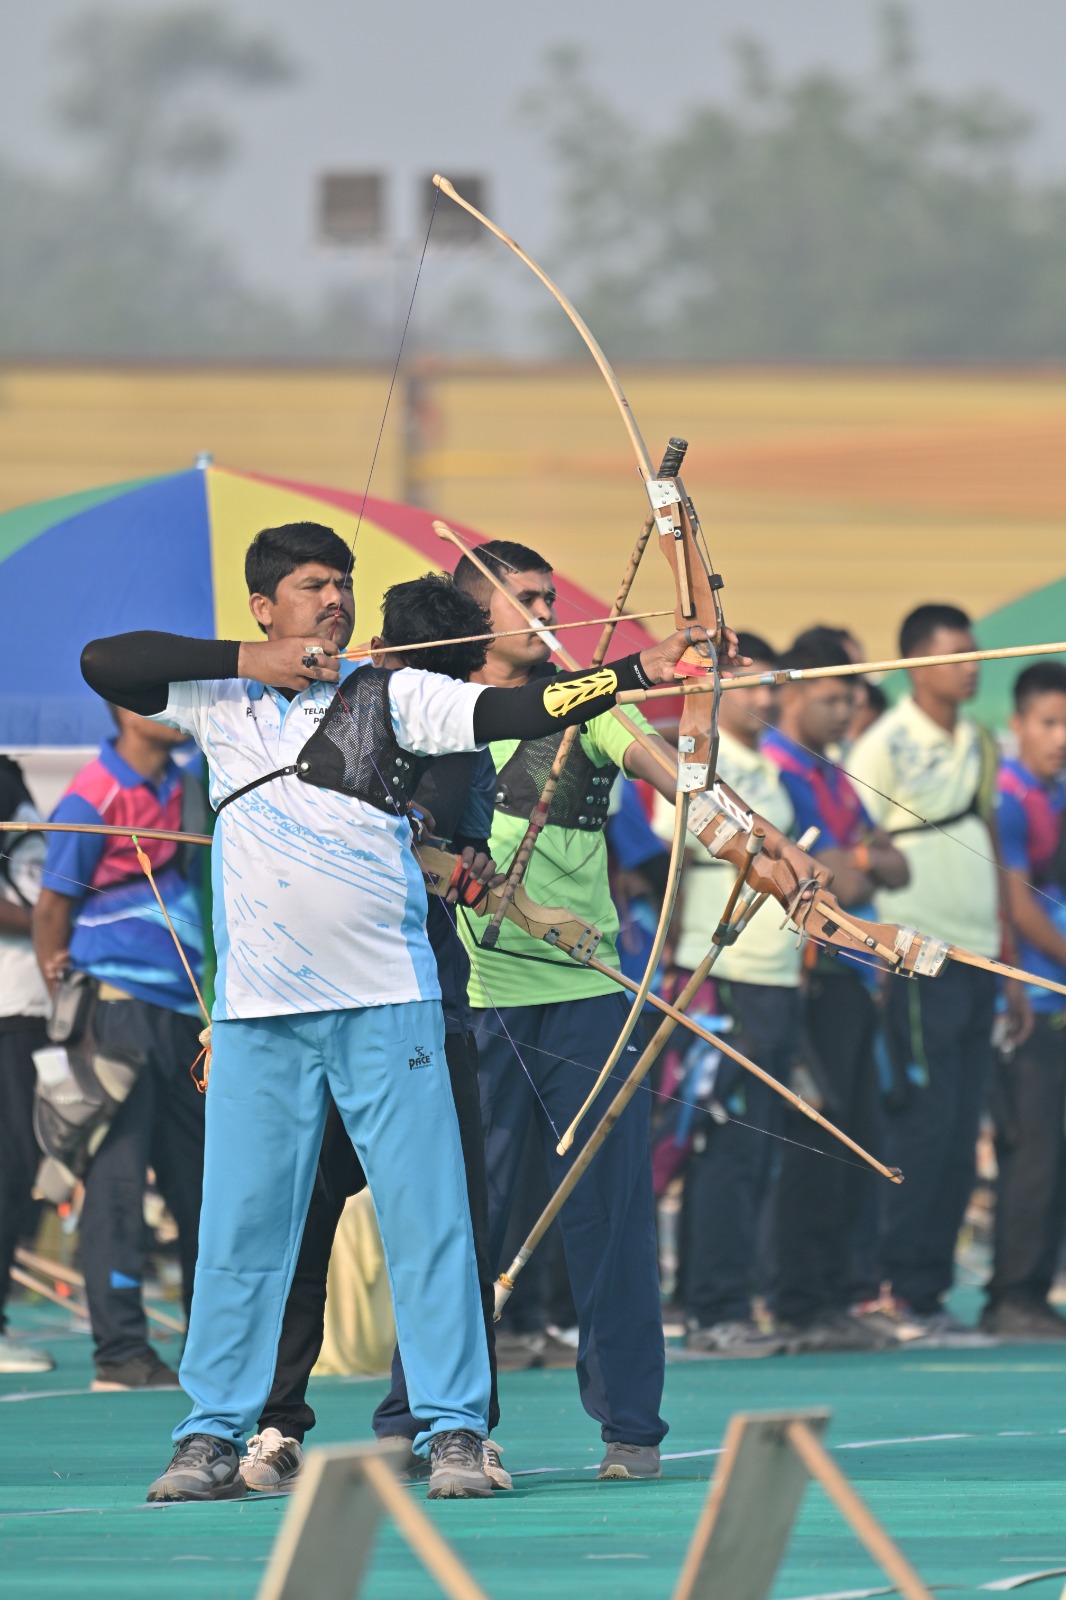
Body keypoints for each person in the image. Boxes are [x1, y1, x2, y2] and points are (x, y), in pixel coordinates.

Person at [79, 519, 726, 1502]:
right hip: (262, 1013)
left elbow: (524, 704)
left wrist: (633, 672)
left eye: (341, 585)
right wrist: (252, 660)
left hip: (391, 1004)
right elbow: (102, 661)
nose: (332, 600)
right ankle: (211, 1432)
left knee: (431, 1224)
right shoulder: (218, 696)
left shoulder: (391, 692)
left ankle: (454, 1428)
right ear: (265, 606)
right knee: (242, 1228)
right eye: (309, 587)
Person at [452, 541, 825, 1476]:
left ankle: (630, 1429)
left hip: (589, 997)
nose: (545, 612)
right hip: (477, 1000)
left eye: (549, 596)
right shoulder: (435, 711)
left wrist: (774, 863)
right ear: (473, 616)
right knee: (465, 1216)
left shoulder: (593, 706)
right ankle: (435, 1418)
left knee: (611, 1214)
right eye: (523, 599)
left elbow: (691, 795)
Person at [240, 572, 508, 1492]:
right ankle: (271, 1426)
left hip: (415, 998)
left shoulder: (461, 731)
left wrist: (458, 860)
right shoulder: (320, 709)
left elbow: (463, 844)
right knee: (294, 1223)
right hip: (298, 1006)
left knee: (441, 1220)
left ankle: (449, 1428)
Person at [849, 603, 1028, 1340]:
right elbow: (854, 852)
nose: (972, 665)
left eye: (975, 652)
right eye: (958, 653)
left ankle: (927, 1294)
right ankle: (895, 1287)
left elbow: (991, 846)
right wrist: (874, 955)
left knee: (961, 1129)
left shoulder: (982, 742)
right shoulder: (882, 744)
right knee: (922, 1124)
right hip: (916, 959)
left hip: (977, 955)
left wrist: (1009, 964)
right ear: (918, 663)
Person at [33, 710, 207, 1391]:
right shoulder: (93, 791)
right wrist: (68, 1009)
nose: (174, 714)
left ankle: (210, 1344)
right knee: (118, 1181)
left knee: (200, 1186)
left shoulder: (190, 779)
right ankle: (120, 1352)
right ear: (126, 712)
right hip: (115, 1010)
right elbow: (52, 909)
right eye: (156, 702)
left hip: (186, 1011)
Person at [652, 631, 803, 1358]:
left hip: (773, 982)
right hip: (722, 979)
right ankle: (713, 1309)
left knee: (753, 1150)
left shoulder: (767, 771)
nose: (766, 698)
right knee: (720, 1143)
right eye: (750, 683)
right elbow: (675, 853)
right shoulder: (695, 764)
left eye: (772, 686)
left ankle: (727, 1299)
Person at [763, 633, 909, 1351]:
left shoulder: (833, 771)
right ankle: (799, 1300)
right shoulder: (779, 771)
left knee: (858, 1136)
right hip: (810, 975)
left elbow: (891, 862)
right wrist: (857, 864)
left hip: (856, 977)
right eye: (830, 698)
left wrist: (856, 863)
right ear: (791, 693)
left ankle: (839, 1293)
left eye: (852, 699)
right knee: (814, 1140)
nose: (846, 712)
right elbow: (829, 881)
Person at [982, 662, 1066, 1339]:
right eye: (1049, 723)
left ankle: (1035, 1291)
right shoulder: (1007, 798)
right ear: (1018, 726)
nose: (1062, 737)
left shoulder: (1055, 794)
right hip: (1034, 1002)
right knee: (1033, 1152)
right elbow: (1019, 907)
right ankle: (1011, 1295)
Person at [0, 757, 55, 1374]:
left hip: (31, 1016)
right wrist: (50, 920)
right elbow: (40, 908)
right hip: (8, 1014)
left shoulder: (25, 819)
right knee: (9, 1169)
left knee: (21, 1170)